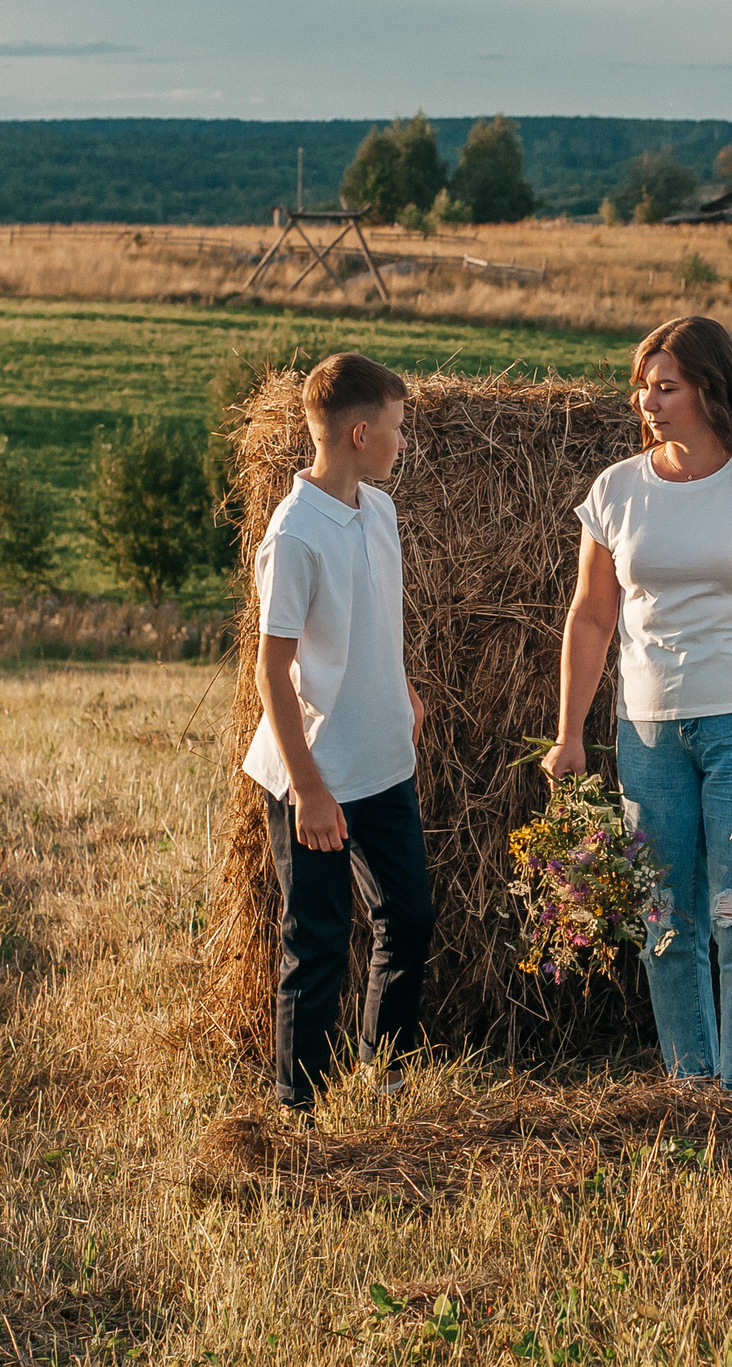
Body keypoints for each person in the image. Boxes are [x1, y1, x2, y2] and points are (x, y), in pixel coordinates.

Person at [544, 315, 732, 1101]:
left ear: (710, 388)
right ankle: (691, 1087)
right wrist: (571, 733)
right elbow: (592, 616)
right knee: (664, 922)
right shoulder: (616, 491)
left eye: (665, 386)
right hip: (647, 732)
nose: (648, 401)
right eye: (643, 386)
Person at [242, 352, 434, 1112]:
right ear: (360, 432)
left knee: (409, 917)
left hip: (384, 759)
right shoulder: (294, 535)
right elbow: (271, 670)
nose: (401, 442)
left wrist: (400, 686)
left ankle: (383, 1073)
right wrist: (311, 791)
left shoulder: (377, 510)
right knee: (317, 940)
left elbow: (369, 619)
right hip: (314, 774)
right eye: (395, 428)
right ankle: (300, 1109)